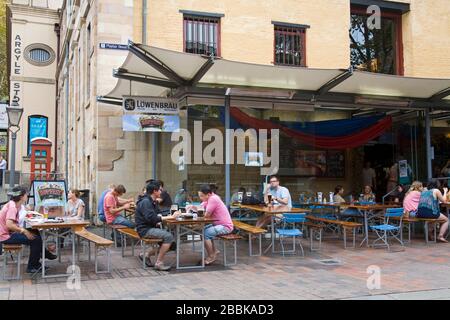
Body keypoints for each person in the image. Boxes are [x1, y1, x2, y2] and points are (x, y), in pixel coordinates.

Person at [0, 186, 57, 273]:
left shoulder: (15, 205)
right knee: (35, 239)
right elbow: (9, 224)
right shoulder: (12, 207)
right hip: (6, 236)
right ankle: (32, 266)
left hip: (8, 233)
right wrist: (24, 231)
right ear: (21, 197)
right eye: (26, 194)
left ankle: (42, 254)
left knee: (35, 231)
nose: (27, 195)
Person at [135, 181, 180, 271]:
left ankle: (146, 254)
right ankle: (159, 263)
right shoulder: (146, 202)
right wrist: (171, 216)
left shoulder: (151, 201)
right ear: (155, 191)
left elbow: (158, 213)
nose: (161, 191)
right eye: (160, 190)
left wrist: (168, 215)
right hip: (145, 230)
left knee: (172, 245)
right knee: (169, 237)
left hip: (149, 227)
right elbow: (151, 218)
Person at [194, 184, 233, 265]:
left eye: (201, 196)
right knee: (203, 231)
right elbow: (200, 208)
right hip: (218, 225)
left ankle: (211, 256)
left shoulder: (213, 199)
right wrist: (191, 207)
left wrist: (196, 214)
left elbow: (206, 215)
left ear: (208, 194)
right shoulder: (208, 199)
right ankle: (214, 251)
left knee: (205, 233)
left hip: (225, 226)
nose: (200, 198)